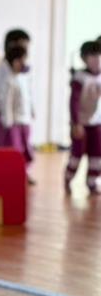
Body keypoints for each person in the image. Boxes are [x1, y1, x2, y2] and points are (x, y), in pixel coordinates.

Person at [0, 42, 35, 177]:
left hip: (25, 121)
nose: (23, 63)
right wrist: (7, 122)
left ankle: (23, 172)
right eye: (20, 60)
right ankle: (11, 174)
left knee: (26, 148)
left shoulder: (23, 78)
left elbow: (28, 97)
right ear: (13, 62)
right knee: (15, 149)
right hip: (13, 122)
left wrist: (32, 111)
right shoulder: (8, 80)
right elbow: (6, 103)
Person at [65, 40, 101, 195]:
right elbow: (73, 101)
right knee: (77, 155)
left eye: (98, 55)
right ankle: (68, 178)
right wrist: (76, 123)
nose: (97, 59)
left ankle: (92, 182)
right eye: (92, 56)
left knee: (97, 155)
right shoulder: (79, 77)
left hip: (96, 123)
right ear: (84, 58)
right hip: (80, 123)